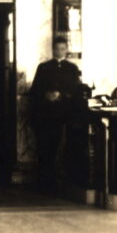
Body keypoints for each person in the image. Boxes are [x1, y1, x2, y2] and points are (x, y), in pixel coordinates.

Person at [29, 36, 82, 191]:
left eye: (62, 49)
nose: (59, 51)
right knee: (43, 147)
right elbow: (35, 90)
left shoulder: (72, 69)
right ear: (53, 49)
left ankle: (56, 181)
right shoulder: (43, 67)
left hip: (61, 115)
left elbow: (75, 90)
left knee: (58, 146)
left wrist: (61, 95)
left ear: (66, 50)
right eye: (57, 48)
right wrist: (46, 94)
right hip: (44, 114)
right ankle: (43, 180)